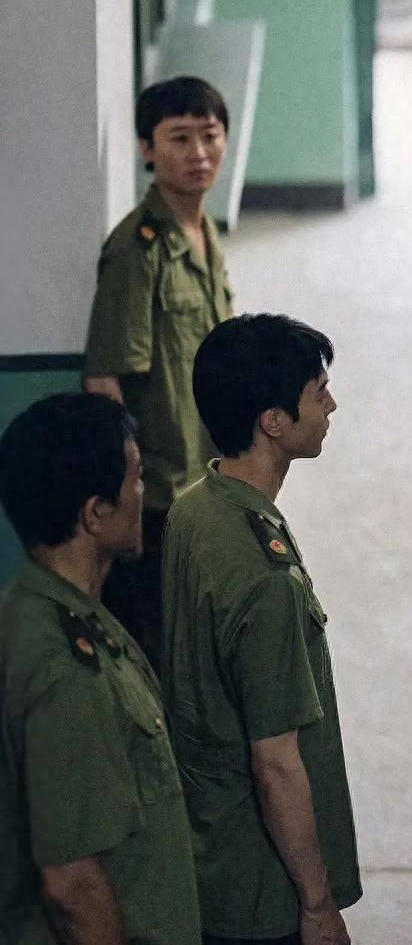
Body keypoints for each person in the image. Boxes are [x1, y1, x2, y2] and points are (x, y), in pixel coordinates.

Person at [161, 315, 360, 945]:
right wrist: (318, 905)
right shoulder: (264, 576)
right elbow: (276, 762)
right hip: (261, 891)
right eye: (318, 393)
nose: (332, 406)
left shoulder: (197, 505)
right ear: (273, 421)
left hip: (206, 851)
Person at [0, 393, 200, 945]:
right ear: (95, 513)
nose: (144, 494)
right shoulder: (63, 662)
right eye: (136, 479)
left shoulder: (63, 616)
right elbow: (73, 886)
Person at [84, 75, 235, 670]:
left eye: (210, 135)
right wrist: (127, 496)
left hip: (205, 477)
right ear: (148, 148)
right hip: (159, 495)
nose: (199, 153)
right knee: (158, 653)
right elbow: (105, 381)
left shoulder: (206, 233)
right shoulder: (137, 248)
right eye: (179, 138)